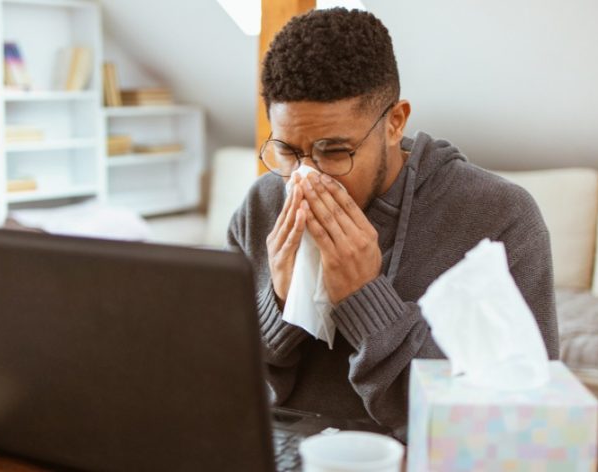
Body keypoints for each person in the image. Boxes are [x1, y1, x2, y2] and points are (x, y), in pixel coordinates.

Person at [227, 8, 559, 432]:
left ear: (395, 122)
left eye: (334, 151)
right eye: (290, 152)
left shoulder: (501, 218)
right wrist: (277, 304)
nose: (307, 177)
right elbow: (224, 387)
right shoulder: (263, 204)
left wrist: (365, 298)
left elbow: (517, 423)